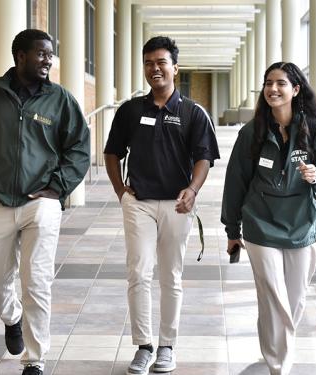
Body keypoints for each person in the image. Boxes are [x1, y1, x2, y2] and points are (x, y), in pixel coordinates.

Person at [0, 29, 90, 375]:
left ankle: (34, 359)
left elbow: (79, 147)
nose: (48, 60)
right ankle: (11, 317)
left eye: (51, 54)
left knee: (37, 281)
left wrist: (57, 188)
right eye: (41, 53)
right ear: (19, 55)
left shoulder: (60, 100)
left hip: (41, 202)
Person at [104, 36, 220, 375]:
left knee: (171, 276)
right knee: (138, 272)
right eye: (149, 63)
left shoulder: (192, 112)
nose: (155, 68)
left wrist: (193, 190)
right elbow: (112, 153)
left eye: (161, 62)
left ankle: (167, 346)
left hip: (177, 206)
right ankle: (143, 346)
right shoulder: (130, 111)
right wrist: (120, 191)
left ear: (175, 68)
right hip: (138, 202)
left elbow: (204, 158)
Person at [221, 62, 316, 375]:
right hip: (260, 223)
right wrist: (232, 229)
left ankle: (277, 350)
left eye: (281, 83)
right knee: (272, 297)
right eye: (268, 83)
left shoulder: (313, 129)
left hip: (301, 225)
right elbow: (236, 181)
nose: (273, 89)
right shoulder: (252, 132)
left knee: (295, 300)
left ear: (295, 89)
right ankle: (278, 364)